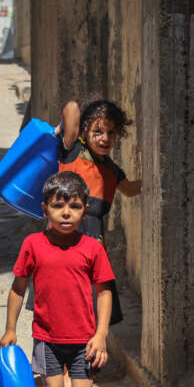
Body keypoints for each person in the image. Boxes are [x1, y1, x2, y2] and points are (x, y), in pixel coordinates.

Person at [0, 170, 114, 387]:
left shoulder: (93, 248)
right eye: (58, 205)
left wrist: (101, 334)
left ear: (84, 210)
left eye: (74, 206)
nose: (66, 212)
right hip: (47, 336)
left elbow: (104, 292)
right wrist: (10, 328)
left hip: (84, 338)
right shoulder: (33, 244)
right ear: (45, 208)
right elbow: (18, 287)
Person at [25, 97, 141, 323]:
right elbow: (71, 109)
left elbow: (129, 190)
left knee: (87, 312)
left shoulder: (113, 171)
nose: (105, 138)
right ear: (84, 130)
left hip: (93, 248)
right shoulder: (73, 151)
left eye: (111, 133)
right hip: (61, 243)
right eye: (98, 131)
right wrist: (64, 128)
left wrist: (158, 178)